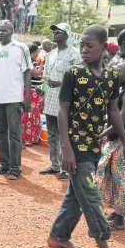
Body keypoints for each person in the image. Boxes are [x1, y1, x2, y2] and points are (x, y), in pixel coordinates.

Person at [47, 24, 125, 248]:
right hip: (75, 147)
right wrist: (65, 147)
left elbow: (114, 111)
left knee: (76, 195)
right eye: (81, 45)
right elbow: (62, 110)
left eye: (89, 46)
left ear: (104, 47)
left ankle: (58, 236)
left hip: (94, 145)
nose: (83, 50)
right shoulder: (73, 73)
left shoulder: (111, 77)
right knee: (91, 197)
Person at [0, 20, 32, 180]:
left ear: (11, 31)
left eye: (4, 30)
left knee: (14, 132)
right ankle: (4, 165)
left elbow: (27, 72)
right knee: (0, 132)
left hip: (14, 97)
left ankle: (15, 168)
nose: (1, 33)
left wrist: (27, 96)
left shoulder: (21, 48)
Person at [97, 60, 125, 231]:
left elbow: (120, 121)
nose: (114, 71)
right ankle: (117, 211)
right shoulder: (119, 89)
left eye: (118, 69)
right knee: (110, 172)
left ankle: (120, 219)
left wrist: (100, 135)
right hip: (118, 137)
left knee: (120, 176)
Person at [40, 23, 81, 180]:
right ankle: (55, 164)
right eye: (54, 31)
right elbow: (46, 75)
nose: (55, 34)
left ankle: (67, 167)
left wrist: (61, 83)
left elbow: (79, 78)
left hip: (66, 100)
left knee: (66, 134)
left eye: (59, 32)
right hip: (51, 98)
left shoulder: (74, 55)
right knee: (52, 134)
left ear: (66, 35)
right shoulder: (50, 54)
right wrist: (44, 88)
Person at [21, 43, 44, 146]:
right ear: (35, 51)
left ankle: (32, 137)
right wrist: (43, 64)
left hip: (35, 91)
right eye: (38, 51)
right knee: (29, 113)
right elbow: (36, 74)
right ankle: (27, 138)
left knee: (33, 113)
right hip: (31, 91)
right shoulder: (30, 61)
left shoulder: (32, 61)